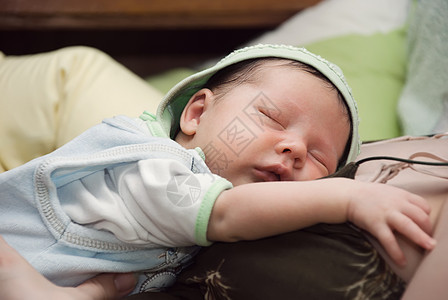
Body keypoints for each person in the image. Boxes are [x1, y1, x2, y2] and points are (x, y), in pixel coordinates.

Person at [0, 44, 435, 297]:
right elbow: (226, 212)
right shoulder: (148, 162)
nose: (295, 147)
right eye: (271, 116)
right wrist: (347, 197)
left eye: (321, 159)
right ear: (196, 113)